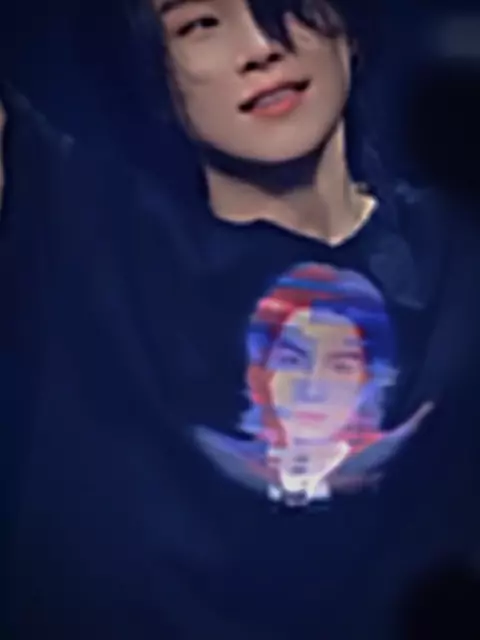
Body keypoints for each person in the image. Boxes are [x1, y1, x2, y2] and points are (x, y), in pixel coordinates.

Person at [2, 0, 480, 639]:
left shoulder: (460, 249)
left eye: (284, 5)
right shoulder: (77, 228)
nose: (259, 48)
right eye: (200, 24)